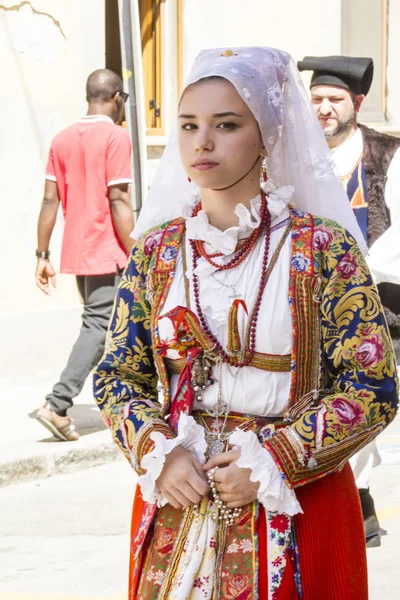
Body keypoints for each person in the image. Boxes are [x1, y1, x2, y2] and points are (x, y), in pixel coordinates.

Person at [94, 48, 398, 599]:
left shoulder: (323, 250)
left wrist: (275, 459)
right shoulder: (158, 255)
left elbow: (373, 386)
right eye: (188, 125)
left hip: (297, 501)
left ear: (267, 135)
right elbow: (118, 375)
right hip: (177, 500)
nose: (201, 141)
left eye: (226, 125)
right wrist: (156, 450)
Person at [298, 54, 400, 547]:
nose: (323, 109)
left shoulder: (389, 154)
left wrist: (357, 267)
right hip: (310, 304)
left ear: (356, 104)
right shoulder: (292, 155)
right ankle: (354, 508)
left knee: (365, 403)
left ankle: (356, 505)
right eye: (315, 99)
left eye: (334, 100)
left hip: (378, 304)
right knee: (330, 404)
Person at [35, 68, 134, 442]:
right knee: (99, 327)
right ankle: (57, 405)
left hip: (77, 250)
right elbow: (119, 198)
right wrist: (136, 251)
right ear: (117, 99)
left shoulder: (61, 139)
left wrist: (42, 254)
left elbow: (49, 199)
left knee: (117, 330)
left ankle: (124, 403)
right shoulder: (115, 137)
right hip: (107, 250)